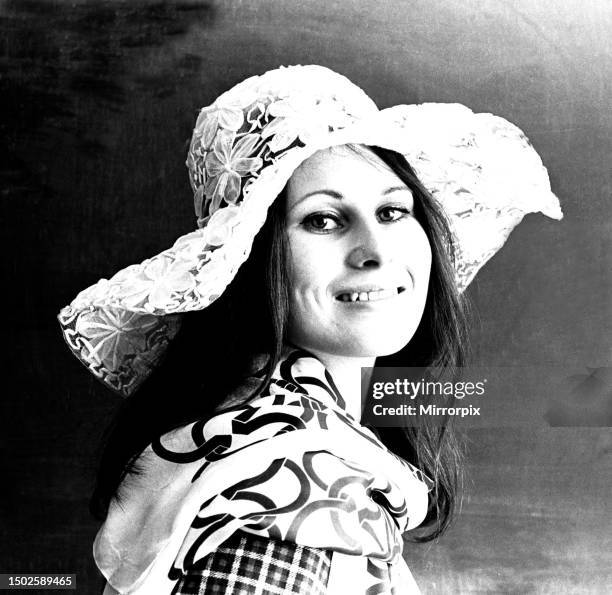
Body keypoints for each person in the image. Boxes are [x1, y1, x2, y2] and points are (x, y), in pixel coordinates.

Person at [58, 65, 562, 594]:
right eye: (323, 220)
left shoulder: (265, 428)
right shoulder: (301, 482)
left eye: (392, 211)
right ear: (250, 263)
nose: (376, 250)